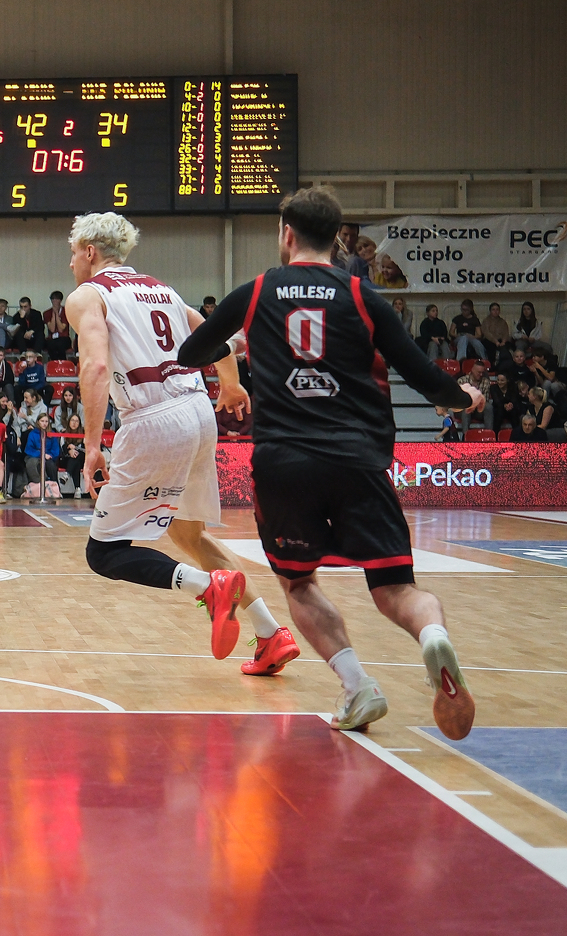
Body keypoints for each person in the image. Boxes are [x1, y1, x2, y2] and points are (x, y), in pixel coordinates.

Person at [177, 185, 483, 737]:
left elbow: (190, 353)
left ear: (286, 235)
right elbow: (424, 377)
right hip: (358, 459)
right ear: (337, 239)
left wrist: (239, 346)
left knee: (298, 584)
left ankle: (357, 686)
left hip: (284, 463)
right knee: (395, 589)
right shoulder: (365, 297)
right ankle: (432, 635)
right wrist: (466, 398)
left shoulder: (256, 292)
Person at [65, 212, 297, 682]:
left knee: (104, 553)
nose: (71, 263)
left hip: (153, 420)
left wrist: (91, 446)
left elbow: (95, 368)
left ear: (90, 251)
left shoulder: (88, 295)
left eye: (73, 253)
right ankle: (270, 633)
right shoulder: (162, 290)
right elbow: (217, 337)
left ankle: (206, 587)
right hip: (197, 413)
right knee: (189, 535)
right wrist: (230, 385)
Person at [454, 361, 494, 433]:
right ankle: (465, 436)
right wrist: (470, 405)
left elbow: (485, 399)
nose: (481, 374)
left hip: (478, 409)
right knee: (466, 410)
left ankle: (489, 434)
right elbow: (459, 399)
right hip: (464, 408)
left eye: (482, 372)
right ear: (473, 370)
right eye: (479, 372)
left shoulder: (485, 382)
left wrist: (474, 405)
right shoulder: (462, 381)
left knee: (488, 407)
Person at [23, 413, 61, 487]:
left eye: (46, 421)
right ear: (38, 422)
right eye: (42, 421)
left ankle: (55, 487)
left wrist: (50, 455)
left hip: (49, 457)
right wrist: (42, 455)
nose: (44, 423)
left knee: (51, 466)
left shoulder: (52, 433)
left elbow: (55, 450)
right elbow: (29, 449)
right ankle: (39, 485)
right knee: (34, 464)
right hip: (35, 456)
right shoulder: (32, 434)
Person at [59, 414, 86, 496]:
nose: (74, 423)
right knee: (75, 461)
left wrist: (75, 448)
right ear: (69, 422)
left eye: (77, 421)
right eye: (72, 420)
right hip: (66, 459)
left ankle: (67, 475)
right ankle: (77, 489)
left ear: (79, 423)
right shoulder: (64, 433)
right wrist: (69, 451)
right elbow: (62, 448)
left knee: (77, 457)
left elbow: (86, 450)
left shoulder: (83, 433)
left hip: (81, 458)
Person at [43, 290, 72, 360]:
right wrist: (54, 314)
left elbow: (61, 329)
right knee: (50, 344)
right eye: (52, 299)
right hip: (52, 339)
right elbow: (52, 329)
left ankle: (62, 362)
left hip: (64, 338)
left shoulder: (66, 311)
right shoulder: (47, 313)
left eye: (56, 299)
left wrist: (57, 315)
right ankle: (54, 363)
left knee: (60, 344)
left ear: (60, 300)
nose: (54, 301)